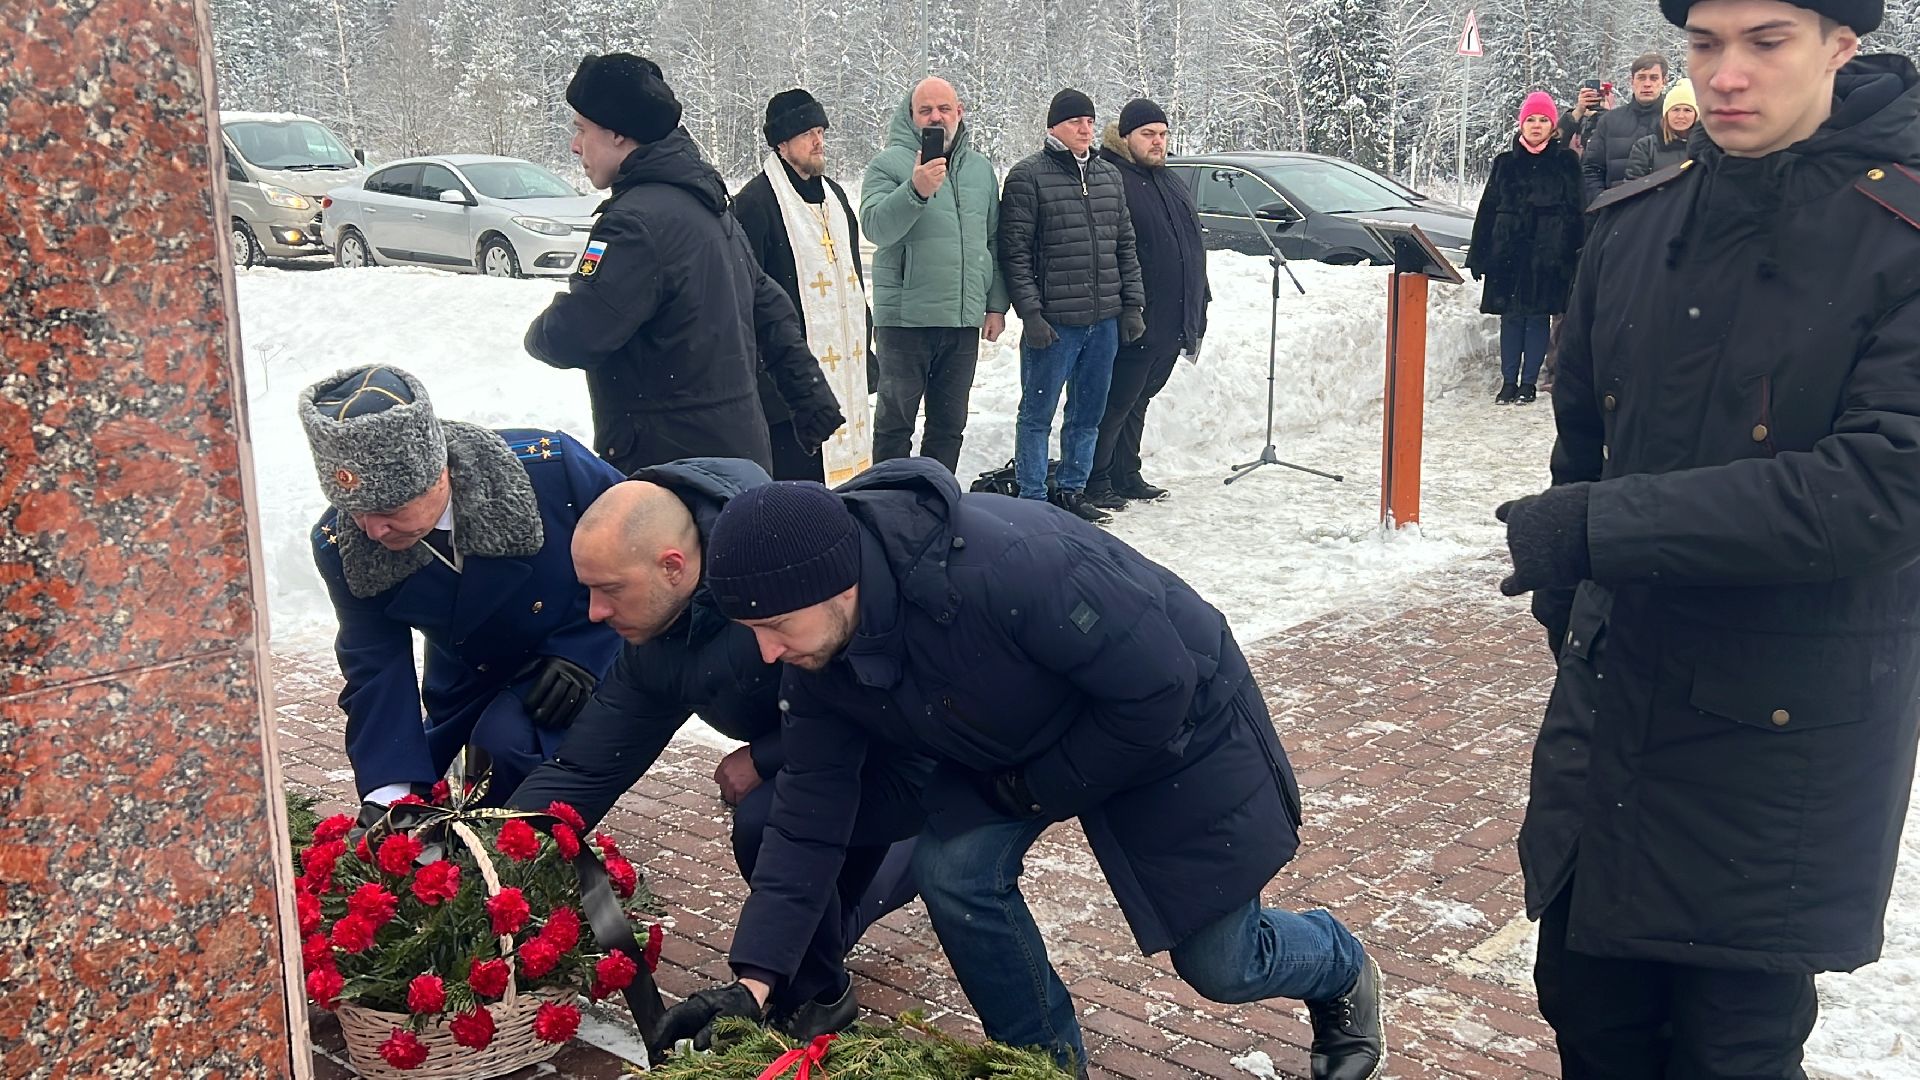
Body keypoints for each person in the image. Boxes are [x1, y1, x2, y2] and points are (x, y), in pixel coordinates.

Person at [1496, 0, 1920, 1073]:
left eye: (1766, 41)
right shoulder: (1635, 224)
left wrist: (1597, 532)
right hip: (1615, 724)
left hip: (1777, 755)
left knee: (1731, 1051)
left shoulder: (1902, 238)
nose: (1727, 74)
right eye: (1704, 45)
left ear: (1838, 45)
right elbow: (1580, 444)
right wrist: (1576, 600)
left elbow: (1883, 485)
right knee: (1589, 1018)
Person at [651, 462, 1386, 1080]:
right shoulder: (821, 660)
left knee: (1223, 965)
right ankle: (1045, 1064)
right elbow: (808, 817)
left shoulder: (1009, 566)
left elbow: (1157, 687)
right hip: (1005, 738)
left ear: (838, 585)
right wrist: (753, 982)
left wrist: (1037, 788)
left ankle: (1339, 965)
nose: (769, 654)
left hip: (1170, 719)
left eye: (776, 629)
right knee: (955, 870)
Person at [506, 458, 925, 1039]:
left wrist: (765, 756)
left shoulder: (774, 572)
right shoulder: (654, 633)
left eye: (609, 591)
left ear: (672, 566)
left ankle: (895, 884)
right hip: (810, 766)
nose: (595, 614)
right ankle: (817, 981)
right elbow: (585, 767)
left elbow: (868, 697)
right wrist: (493, 845)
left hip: (894, 746)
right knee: (808, 919)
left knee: (769, 826)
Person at [300, 365, 624, 813]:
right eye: (354, 510)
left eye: (387, 507)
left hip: (580, 646)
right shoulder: (343, 545)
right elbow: (376, 664)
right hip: (468, 673)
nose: (372, 530)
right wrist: (388, 793)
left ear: (438, 473)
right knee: (420, 792)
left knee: (506, 747)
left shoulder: (552, 470)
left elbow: (642, 553)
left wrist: (586, 653)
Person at [524, 53, 843, 475]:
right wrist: (809, 397)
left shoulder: (635, 224)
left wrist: (541, 333)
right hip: (737, 457)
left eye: (582, 129)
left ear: (618, 133)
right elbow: (769, 306)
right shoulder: (705, 202)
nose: (575, 145)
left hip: (672, 472)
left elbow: (576, 335)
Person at [999, 89, 1145, 525]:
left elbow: (1125, 245)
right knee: (1037, 413)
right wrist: (1031, 314)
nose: (1084, 129)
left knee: (1087, 414)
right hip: (1055, 323)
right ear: (1054, 128)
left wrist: (1132, 305)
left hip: (1103, 321)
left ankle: (1072, 489)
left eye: (1089, 121)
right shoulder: (1029, 176)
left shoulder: (1107, 176)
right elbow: (1015, 252)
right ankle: (1031, 497)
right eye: (1074, 121)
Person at [859, 76, 1009, 474]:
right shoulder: (888, 164)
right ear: (911, 116)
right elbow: (874, 227)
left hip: (961, 320)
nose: (935, 117)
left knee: (949, 426)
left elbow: (992, 241)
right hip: (905, 321)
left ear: (959, 113)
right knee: (895, 425)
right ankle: (886, 506)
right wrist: (915, 190)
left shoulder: (980, 170)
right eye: (925, 110)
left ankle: (935, 504)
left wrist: (995, 305)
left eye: (944, 108)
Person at [732, 89, 874, 486]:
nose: (818, 141)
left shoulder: (836, 197)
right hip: (786, 390)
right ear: (781, 144)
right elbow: (745, 300)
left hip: (844, 373)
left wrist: (867, 349)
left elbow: (855, 281)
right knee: (799, 496)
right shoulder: (755, 204)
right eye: (807, 133)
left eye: (820, 131)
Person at [1086, 98, 1209, 511]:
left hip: (1174, 316)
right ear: (1125, 137)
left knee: (1140, 399)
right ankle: (1096, 478)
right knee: (1117, 399)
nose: (1158, 142)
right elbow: (1108, 250)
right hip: (1136, 315)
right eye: (1148, 134)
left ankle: (1126, 472)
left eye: (1162, 134)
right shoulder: (1111, 178)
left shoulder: (1168, 180)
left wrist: (1200, 302)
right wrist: (1125, 309)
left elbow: (1191, 245)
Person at [1466, 91, 1584, 406]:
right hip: (1508, 254)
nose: (1536, 125)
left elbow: (1576, 213)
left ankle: (1528, 382)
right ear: (1521, 125)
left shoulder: (1565, 162)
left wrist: (1574, 258)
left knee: (1536, 319)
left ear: (1552, 125)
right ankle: (1508, 381)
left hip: (1548, 256)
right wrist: (1479, 255)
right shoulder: (1505, 163)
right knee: (1511, 318)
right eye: (1530, 119)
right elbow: (1487, 209)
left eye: (1543, 120)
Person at [1581, 52, 1670, 203]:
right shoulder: (1609, 121)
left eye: (1654, 78)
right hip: (1617, 213)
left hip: (1667, 214)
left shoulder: (1677, 121)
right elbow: (1591, 169)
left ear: (1664, 81)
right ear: (1632, 81)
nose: (1647, 84)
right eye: (1641, 77)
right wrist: (1603, 203)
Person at [1625, 78, 1699, 178]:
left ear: (1696, 115)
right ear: (1666, 114)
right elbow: (1633, 186)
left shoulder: (1707, 147)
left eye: (1687, 110)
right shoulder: (1647, 147)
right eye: (1675, 110)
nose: (1681, 116)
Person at [1557, 80, 1614, 155]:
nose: (1598, 98)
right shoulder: (1575, 122)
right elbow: (1557, 141)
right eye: (1591, 95)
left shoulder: (1617, 123)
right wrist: (1578, 111)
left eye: (1603, 95)